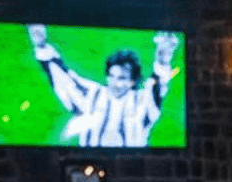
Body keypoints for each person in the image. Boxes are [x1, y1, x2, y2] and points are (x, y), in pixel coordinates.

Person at [27, 24, 180, 147]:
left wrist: (163, 60)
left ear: (132, 82)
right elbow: (63, 78)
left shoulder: (142, 102)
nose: (115, 83)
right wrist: (41, 45)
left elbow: (158, 84)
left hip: (130, 168)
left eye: (122, 78)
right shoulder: (90, 93)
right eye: (112, 76)